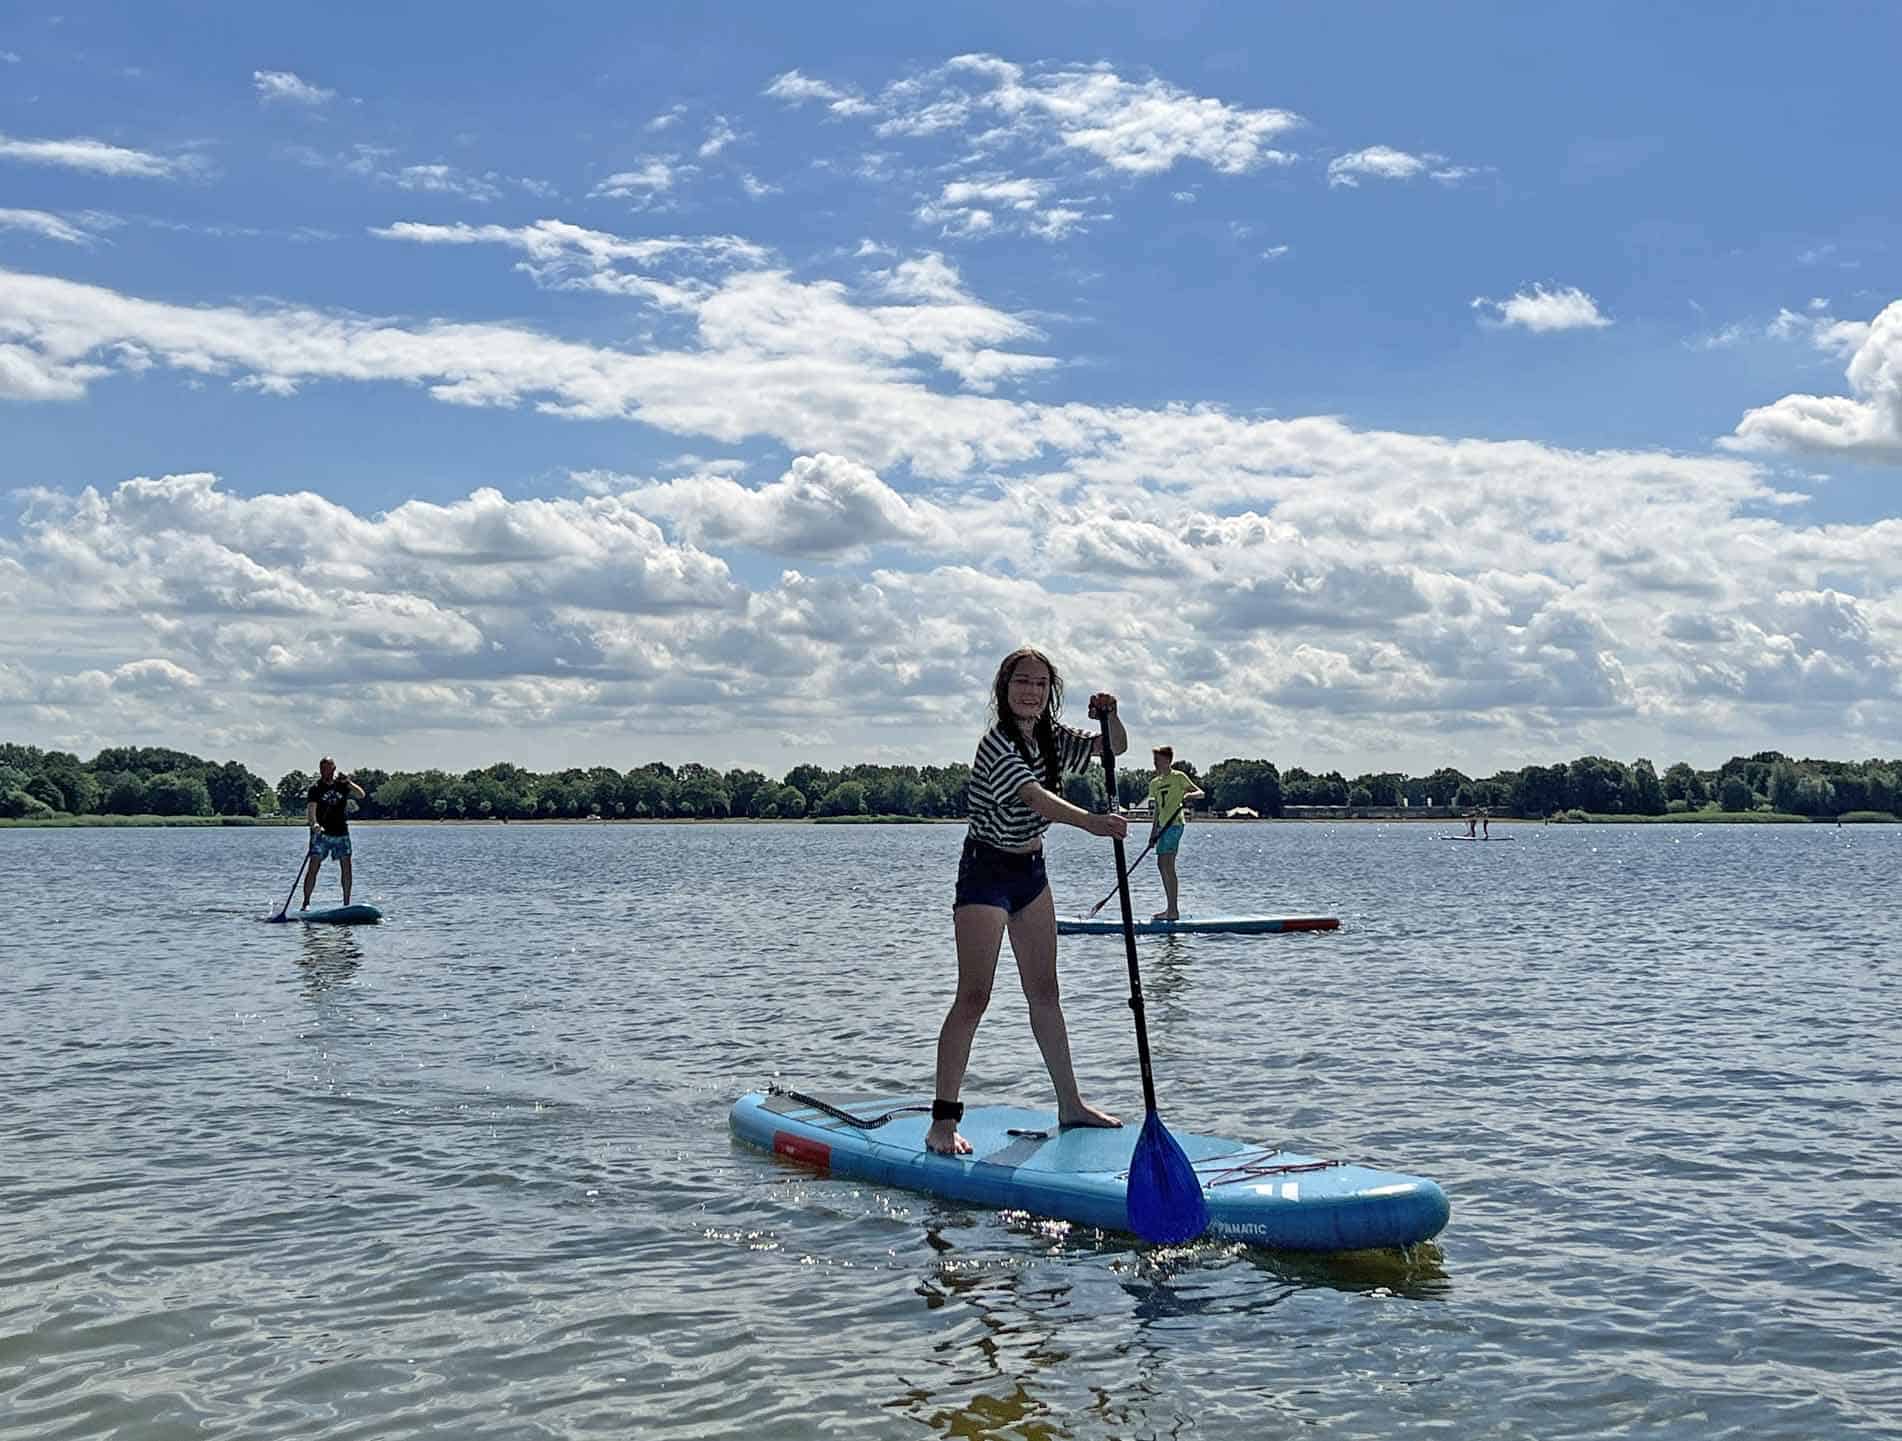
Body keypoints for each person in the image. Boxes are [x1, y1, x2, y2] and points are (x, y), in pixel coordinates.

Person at [925, 647, 1129, 1157]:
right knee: (975, 995)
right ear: (1005, 687)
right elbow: (1035, 797)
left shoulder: (1054, 737)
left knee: (1045, 990)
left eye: (1040, 683)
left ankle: (1070, 1104)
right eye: (1022, 682)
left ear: (1049, 691)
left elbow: (1114, 749)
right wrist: (1093, 823)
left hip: (1031, 872)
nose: (1031, 691)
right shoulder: (995, 744)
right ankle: (943, 1124)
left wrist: (1112, 714)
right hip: (986, 871)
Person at [1146, 746, 1204, 921]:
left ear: (1167, 760)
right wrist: (1152, 834)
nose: (1155, 763)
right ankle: (1170, 909)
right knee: (1161, 864)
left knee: (1167, 865)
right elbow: (1157, 810)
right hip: (1162, 827)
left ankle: (1173, 911)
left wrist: (1188, 796)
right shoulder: (1154, 783)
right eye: (1154, 759)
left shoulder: (1178, 777)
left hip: (1175, 825)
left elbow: (1201, 793)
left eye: (1157, 759)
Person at [303, 758, 367, 909]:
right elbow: (311, 811)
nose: (326, 771)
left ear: (334, 769)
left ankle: (346, 903)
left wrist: (349, 783)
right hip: (321, 835)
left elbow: (361, 795)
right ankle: (306, 903)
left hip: (341, 832)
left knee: (346, 867)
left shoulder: (342, 785)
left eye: (329, 768)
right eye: (323, 768)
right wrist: (314, 824)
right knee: (313, 867)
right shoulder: (315, 788)